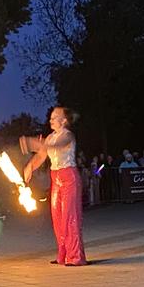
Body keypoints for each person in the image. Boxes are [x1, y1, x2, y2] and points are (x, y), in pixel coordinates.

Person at [21, 107, 87, 266]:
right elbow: (42, 155)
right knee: (57, 217)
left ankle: (76, 256)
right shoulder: (50, 137)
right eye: (50, 117)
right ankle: (63, 255)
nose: (51, 120)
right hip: (55, 177)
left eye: (55, 117)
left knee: (69, 217)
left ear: (64, 120)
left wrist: (36, 144)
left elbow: (58, 146)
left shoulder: (68, 135)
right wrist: (30, 166)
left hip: (69, 177)